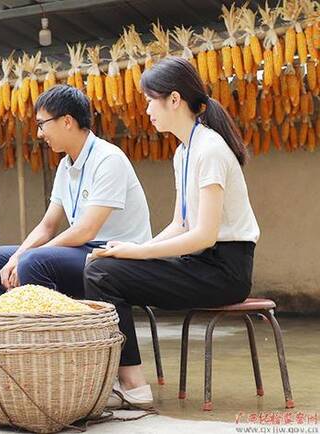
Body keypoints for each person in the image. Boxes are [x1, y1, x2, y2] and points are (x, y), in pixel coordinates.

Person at [84, 57, 260, 409]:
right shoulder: (184, 152)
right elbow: (181, 224)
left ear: (174, 99)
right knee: (101, 265)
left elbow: (204, 235)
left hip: (224, 271)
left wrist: (134, 254)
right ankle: (126, 381)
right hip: (200, 264)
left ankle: (132, 385)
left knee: (101, 273)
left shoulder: (209, 149)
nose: (147, 108)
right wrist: (133, 247)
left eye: (151, 99)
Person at [0, 85, 151, 298]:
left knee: (34, 261)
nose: (39, 133)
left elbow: (85, 230)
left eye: (42, 124)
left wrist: (31, 255)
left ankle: (52, 329)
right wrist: (18, 255)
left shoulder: (108, 159)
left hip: (115, 255)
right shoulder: (65, 166)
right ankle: (14, 326)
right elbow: (47, 225)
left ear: (67, 121)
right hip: (83, 251)